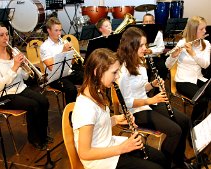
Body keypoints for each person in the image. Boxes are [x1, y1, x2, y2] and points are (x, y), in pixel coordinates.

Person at [72, 48, 169, 169]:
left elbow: (98, 125)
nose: (117, 76)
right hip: (99, 161)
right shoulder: (86, 108)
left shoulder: (98, 91)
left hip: (109, 145)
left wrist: (116, 119)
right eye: (114, 72)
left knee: (161, 158)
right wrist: (122, 148)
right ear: (97, 72)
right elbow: (84, 153)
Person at [117, 27, 191, 169]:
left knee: (185, 121)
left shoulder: (139, 62)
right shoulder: (123, 71)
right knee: (175, 131)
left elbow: (141, 87)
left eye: (146, 44)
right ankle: (167, 163)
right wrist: (151, 100)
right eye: (142, 45)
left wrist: (152, 84)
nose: (146, 48)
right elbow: (126, 102)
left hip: (147, 103)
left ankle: (178, 159)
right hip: (134, 112)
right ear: (131, 47)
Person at [0, 22, 51, 151]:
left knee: (43, 101)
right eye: (1, 35)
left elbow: (25, 77)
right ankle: (34, 138)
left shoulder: (13, 52)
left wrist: (25, 67)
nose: (6, 38)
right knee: (32, 105)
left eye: (7, 34)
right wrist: (15, 66)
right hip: (6, 94)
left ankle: (43, 135)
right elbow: (1, 85)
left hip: (20, 87)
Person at [165, 16, 211, 126]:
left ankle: (205, 125)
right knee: (202, 100)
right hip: (183, 81)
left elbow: (206, 65)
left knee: (206, 95)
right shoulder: (182, 43)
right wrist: (173, 56)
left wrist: (193, 54)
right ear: (193, 30)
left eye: (205, 28)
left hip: (199, 78)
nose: (205, 31)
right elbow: (168, 65)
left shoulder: (206, 44)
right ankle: (193, 127)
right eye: (201, 29)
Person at [40, 17, 83, 104]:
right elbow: (52, 67)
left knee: (88, 78)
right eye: (56, 30)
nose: (59, 33)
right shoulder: (44, 47)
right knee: (71, 90)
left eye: (60, 30)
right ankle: (69, 115)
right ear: (49, 31)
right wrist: (64, 51)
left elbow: (71, 63)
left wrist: (72, 55)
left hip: (67, 72)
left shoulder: (63, 42)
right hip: (55, 77)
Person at [142, 13, 168, 85]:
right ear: (143, 22)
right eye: (146, 21)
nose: (148, 23)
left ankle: (157, 91)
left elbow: (161, 48)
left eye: (150, 21)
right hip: (142, 57)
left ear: (154, 22)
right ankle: (146, 90)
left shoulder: (158, 33)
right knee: (144, 71)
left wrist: (152, 51)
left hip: (155, 56)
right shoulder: (138, 32)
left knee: (163, 69)